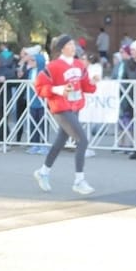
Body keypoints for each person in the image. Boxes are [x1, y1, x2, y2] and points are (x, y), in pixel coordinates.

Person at [32, 35, 99, 195]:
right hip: (60, 107)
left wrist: (94, 82)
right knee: (82, 140)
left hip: (75, 107)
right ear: (62, 48)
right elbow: (40, 87)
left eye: (73, 44)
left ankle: (43, 172)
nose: (73, 47)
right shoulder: (53, 66)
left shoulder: (79, 64)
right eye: (70, 44)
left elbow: (86, 86)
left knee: (60, 142)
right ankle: (79, 180)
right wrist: (59, 89)